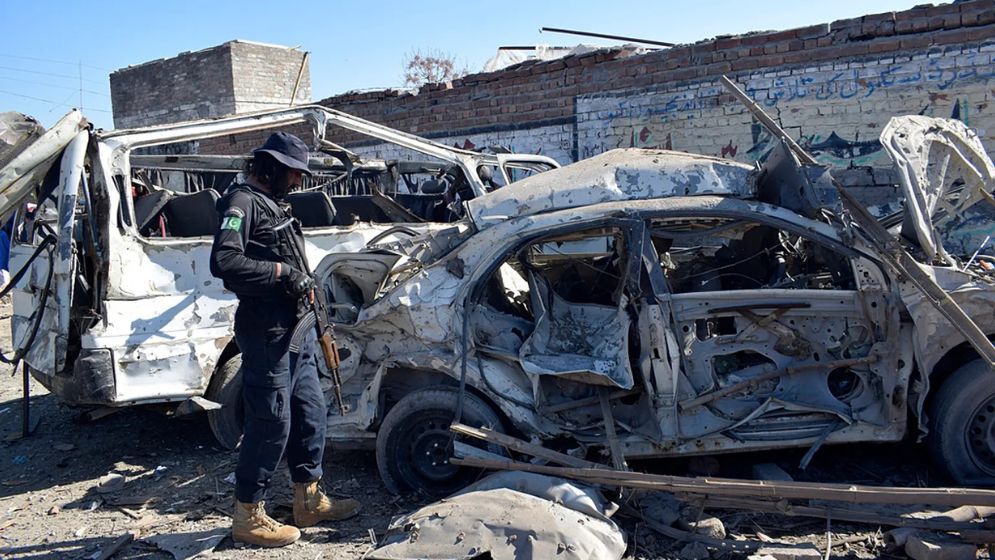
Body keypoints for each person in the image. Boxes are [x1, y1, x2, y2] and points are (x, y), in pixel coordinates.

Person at [209, 132, 360, 548]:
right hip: (266, 332)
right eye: (293, 172)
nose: (297, 180)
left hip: (297, 330)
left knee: (310, 413)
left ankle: (308, 501)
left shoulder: (273, 203)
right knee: (271, 421)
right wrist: (281, 274)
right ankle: (248, 515)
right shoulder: (242, 202)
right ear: (270, 167)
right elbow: (225, 261)